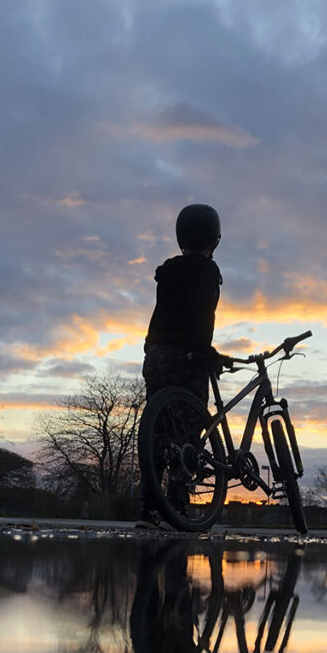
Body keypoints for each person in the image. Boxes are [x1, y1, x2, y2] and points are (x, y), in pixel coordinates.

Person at [136, 203, 229, 529]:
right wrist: (206, 352)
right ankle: (176, 507)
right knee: (187, 433)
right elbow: (201, 317)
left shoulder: (169, 272)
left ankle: (148, 511)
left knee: (158, 432)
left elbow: (169, 315)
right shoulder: (206, 272)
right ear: (214, 239)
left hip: (155, 355)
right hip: (185, 357)